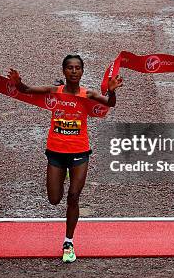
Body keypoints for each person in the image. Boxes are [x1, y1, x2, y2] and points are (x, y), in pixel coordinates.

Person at [8, 55, 123, 263]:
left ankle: (68, 241)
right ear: (64, 71)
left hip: (79, 152)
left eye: (77, 68)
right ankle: (60, 181)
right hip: (56, 152)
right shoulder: (55, 91)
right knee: (54, 199)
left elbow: (109, 103)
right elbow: (26, 90)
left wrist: (112, 91)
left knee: (73, 196)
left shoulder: (87, 94)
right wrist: (18, 82)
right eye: (69, 68)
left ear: (82, 72)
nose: (73, 71)